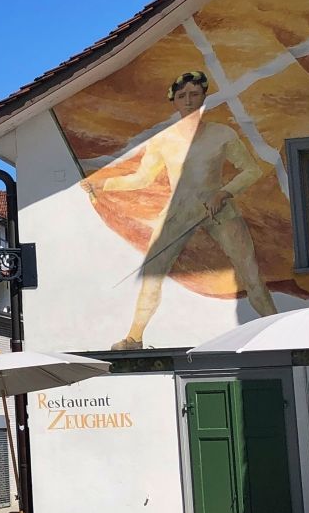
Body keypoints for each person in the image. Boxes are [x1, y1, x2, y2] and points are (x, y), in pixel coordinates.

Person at [88, 70, 277, 349]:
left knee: (250, 272)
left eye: (194, 95)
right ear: (174, 101)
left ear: (203, 98)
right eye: (182, 96)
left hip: (219, 210)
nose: (188, 100)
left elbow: (251, 169)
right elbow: (142, 178)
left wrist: (224, 193)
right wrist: (102, 184)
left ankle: (276, 328)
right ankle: (134, 337)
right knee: (152, 272)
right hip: (177, 213)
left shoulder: (222, 134)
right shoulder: (163, 140)